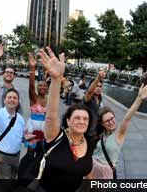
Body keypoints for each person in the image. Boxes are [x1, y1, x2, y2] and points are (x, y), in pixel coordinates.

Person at [35, 47, 93, 192]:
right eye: (77, 118)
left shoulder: (89, 142)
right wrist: (56, 80)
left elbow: (87, 172)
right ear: (68, 121)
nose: (82, 121)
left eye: (85, 119)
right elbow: (51, 115)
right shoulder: (57, 136)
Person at [92, 82, 147, 179]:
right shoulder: (101, 134)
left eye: (112, 118)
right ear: (102, 124)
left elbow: (127, 118)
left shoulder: (118, 135)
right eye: (107, 120)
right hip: (92, 166)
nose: (111, 122)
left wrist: (139, 99)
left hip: (106, 172)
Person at [0, 44, 23, 114]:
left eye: (11, 73)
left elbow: (19, 107)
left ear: (14, 76)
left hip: (12, 119)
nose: (9, 74)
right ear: (3, 74)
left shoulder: (17, 90)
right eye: (7, 72)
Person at [24, 53, 48, 151]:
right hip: (32, 126)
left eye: (44, 86)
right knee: (31, 150)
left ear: (47, 88)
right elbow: (31, 86)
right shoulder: (34, 98)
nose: (42, 87)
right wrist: (32, 69)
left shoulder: (49, 99)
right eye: (40, 86)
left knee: (42, 151)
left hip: (44, 126)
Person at [83, 70, 106, 141]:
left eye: (100, 86)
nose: (98, 88)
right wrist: (98, 78)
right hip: (86, 133)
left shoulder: (100, 99)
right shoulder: (88, 98)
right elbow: (89, 92)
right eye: (96, 86)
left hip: (96, 132)